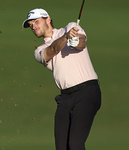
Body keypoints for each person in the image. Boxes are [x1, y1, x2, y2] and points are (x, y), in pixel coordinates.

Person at [22, 8, 101, 150]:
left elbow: (82, 42)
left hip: (87, 91)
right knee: (61, 147)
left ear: (48, 19)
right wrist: (66, 37)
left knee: (75, 144)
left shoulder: (71, 27)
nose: (33, 26)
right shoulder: (39, 51)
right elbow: (52, 50)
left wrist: (75, 41)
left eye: (36, 21)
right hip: (65, 98)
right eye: (30, 25)